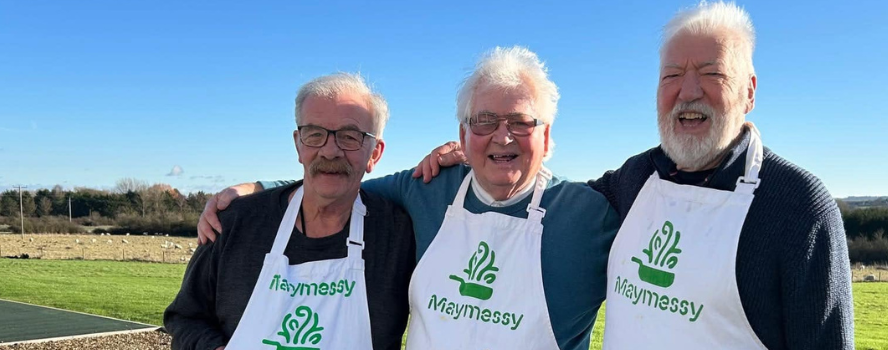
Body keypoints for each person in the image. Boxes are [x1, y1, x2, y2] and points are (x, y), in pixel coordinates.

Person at [412, 2, 855, 349]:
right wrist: (478, 153)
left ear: (749, 91)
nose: (689, 91)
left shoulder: (798, 206)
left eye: (712, 73)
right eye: (672, 75)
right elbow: (543, 196)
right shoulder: (634, 178)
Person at [198, 47, 620, 350]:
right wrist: (254, 190)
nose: (502, 135)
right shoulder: (426, 188)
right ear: (463, 136)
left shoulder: (590, 214)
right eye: (484, 121)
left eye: (521, 122)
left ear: (546, 137)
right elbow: (337, 179)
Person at [164, 73, 417, 350]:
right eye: (315, 134)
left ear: (375, 153)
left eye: (350, 136)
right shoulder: (235, 221)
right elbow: (185, 318)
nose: (330, 151)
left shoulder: (399, 235)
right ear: (299, 144)